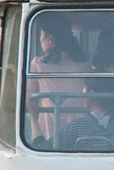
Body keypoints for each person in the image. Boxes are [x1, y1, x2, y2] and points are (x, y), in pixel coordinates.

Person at [27, 15, 92, 145]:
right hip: (78, 129)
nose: (40, 39)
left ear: (50, 39)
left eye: (41, 35)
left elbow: (29, 96)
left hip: (49, 130)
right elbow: (91, 92)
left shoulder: (38, 64)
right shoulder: (84, 64)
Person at [55, 77, 114, 151]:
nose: (82, 92)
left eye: (84, 88)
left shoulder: (75, 127)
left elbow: (48, 145)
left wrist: (69, 127)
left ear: (91, 94)